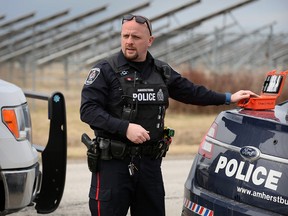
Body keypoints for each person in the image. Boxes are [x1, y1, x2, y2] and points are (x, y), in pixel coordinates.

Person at [80, 14, 257, 216]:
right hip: (113, 165)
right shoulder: (105, 70)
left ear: (150, 40)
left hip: (149, 166)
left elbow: (191, 92)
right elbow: (88, 110)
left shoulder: (161, 71)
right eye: (125, 36)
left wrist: (228, 97)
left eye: (136, 37)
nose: (129, 42)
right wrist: (125, 128)